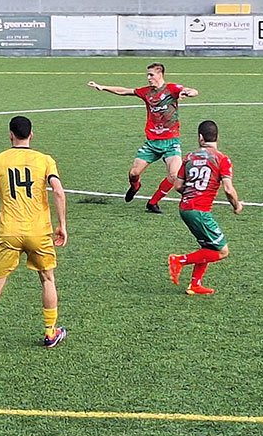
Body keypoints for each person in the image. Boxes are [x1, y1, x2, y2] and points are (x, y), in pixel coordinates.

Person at [0, 114, 68, 363]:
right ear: (31, 134)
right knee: (47, 279)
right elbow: (58, 191)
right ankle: (50, 332)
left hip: (9, 232)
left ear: (10, 135)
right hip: (38, 232)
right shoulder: (45, 160)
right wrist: (62, 225)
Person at [87, 62, 199, 214]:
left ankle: (153, 202)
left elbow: (192, 91)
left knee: (174, 175)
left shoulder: (172, 89)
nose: (148, 78)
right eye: (147, 75)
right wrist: (102, 87)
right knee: (133, 173)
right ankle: (135, 186)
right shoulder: (146, 92)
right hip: (152, 143)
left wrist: (188, 93)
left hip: (171, 141)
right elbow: (124, 91)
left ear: (160, 74)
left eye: (151, 75)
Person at [166, 120, 244, 296]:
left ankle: (195, 284)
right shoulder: (222, 159)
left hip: (185, 208)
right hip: (199, 211)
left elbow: (177, 186)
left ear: (200, 137)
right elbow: (228, 189)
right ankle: (179, 260)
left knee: (207, 246)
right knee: (222, 251)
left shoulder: (189, 157)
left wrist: (192, 193)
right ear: (217, 137)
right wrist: (237, 205)